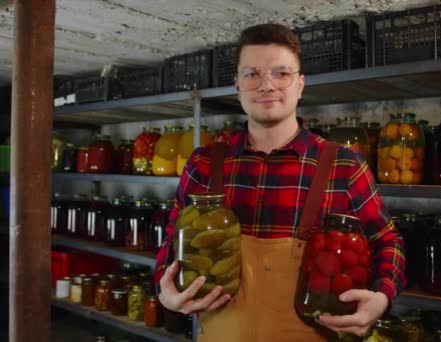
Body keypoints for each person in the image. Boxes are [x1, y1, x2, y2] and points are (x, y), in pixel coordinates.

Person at [154, 23, 406, 341]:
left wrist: (381, 298)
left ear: (300, 84)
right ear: (237, 85)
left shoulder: (344, 165)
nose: (266, 86)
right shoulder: (204, 163)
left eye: (281, 73)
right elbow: (170, 241)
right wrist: (164, 288)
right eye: (252, 74)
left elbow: (387, 242)